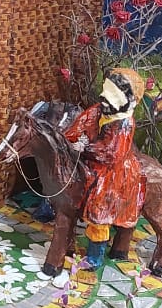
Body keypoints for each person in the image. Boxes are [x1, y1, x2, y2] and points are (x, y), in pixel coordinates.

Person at [63, 67, 147, 267]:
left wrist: (86, 147)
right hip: (88, 159)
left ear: (129, 101)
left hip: (111, 172)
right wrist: (72, 139)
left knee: (99, 207)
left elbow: (112, 153)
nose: (105, 102)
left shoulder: (124, 123)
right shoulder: (98, 110)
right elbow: (79, 125)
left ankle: (95, 256)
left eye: (112, 98)